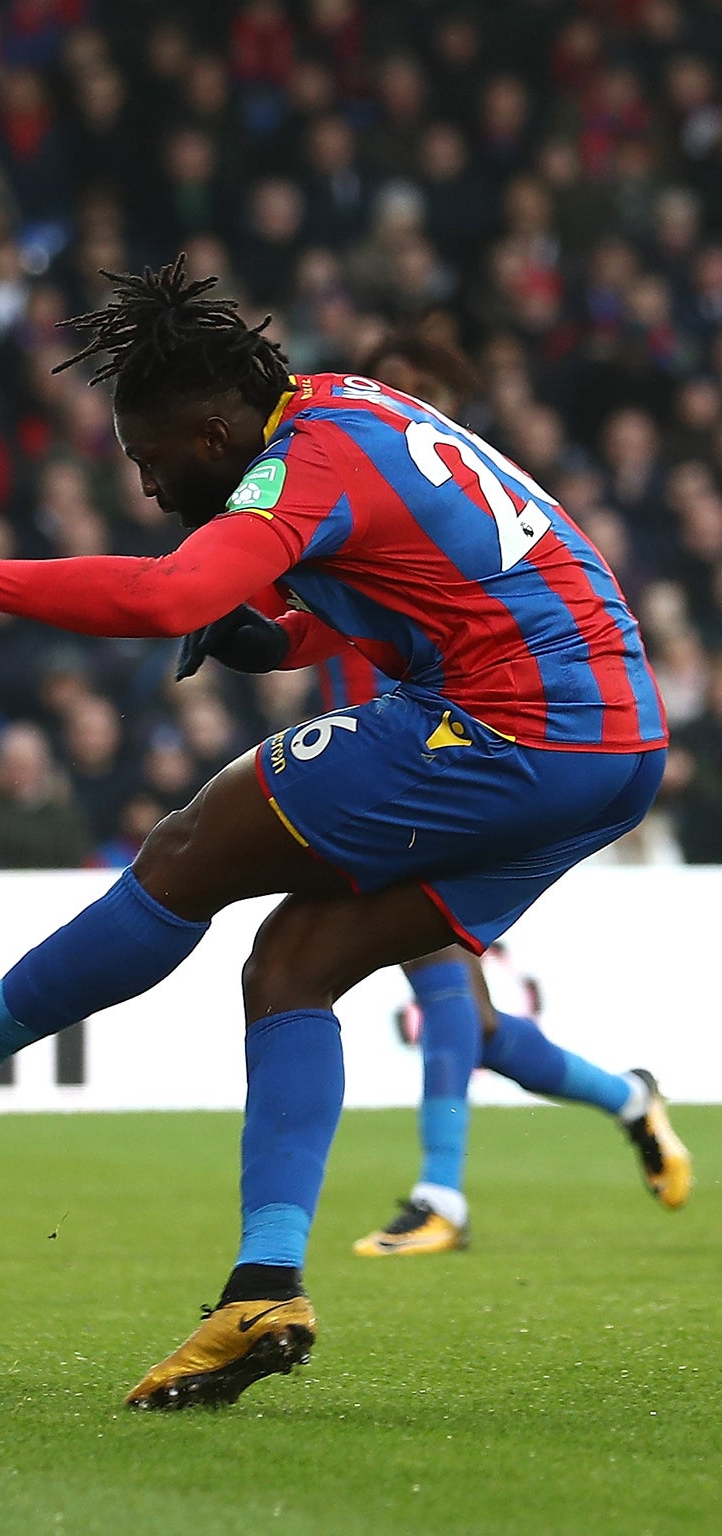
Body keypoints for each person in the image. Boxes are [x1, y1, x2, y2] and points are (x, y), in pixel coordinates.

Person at [0, 258, 689, 1409]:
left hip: (517, 721)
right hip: (612, 743)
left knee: (187, 849)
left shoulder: (301, 460)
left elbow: (165, 594)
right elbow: (430, 567)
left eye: (154, 461)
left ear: (212, 431)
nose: (152, 490)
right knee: (292, 963)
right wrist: (287, 640)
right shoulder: (350, 409)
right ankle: (263, 1286)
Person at [249, 335, 685, 1258]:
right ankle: (628, 1097)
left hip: (460, 766)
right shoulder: (347, 499)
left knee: (443, 979)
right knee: (474, 1023)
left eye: (429, 400)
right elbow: (320, 626)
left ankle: (441, 1193)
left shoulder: (466, 540)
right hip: (385, 767)